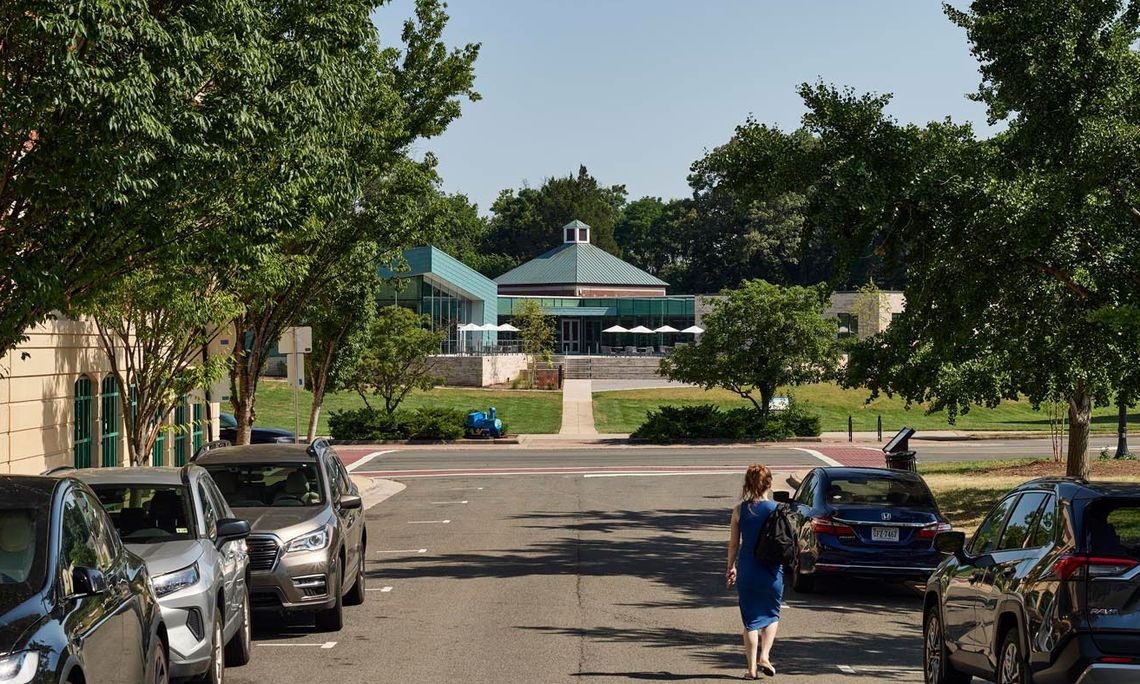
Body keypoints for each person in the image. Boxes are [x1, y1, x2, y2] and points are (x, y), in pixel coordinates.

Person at [726, 464, 782, 679]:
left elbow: (733, 544)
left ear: (747, 484)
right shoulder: (777, 509)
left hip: (748, 568)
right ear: (769, 484)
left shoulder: (739, 510)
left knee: (750, 621)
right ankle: (765, 656)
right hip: (771, 569)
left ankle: (751, 670)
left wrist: (731, 567)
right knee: (771, 614)